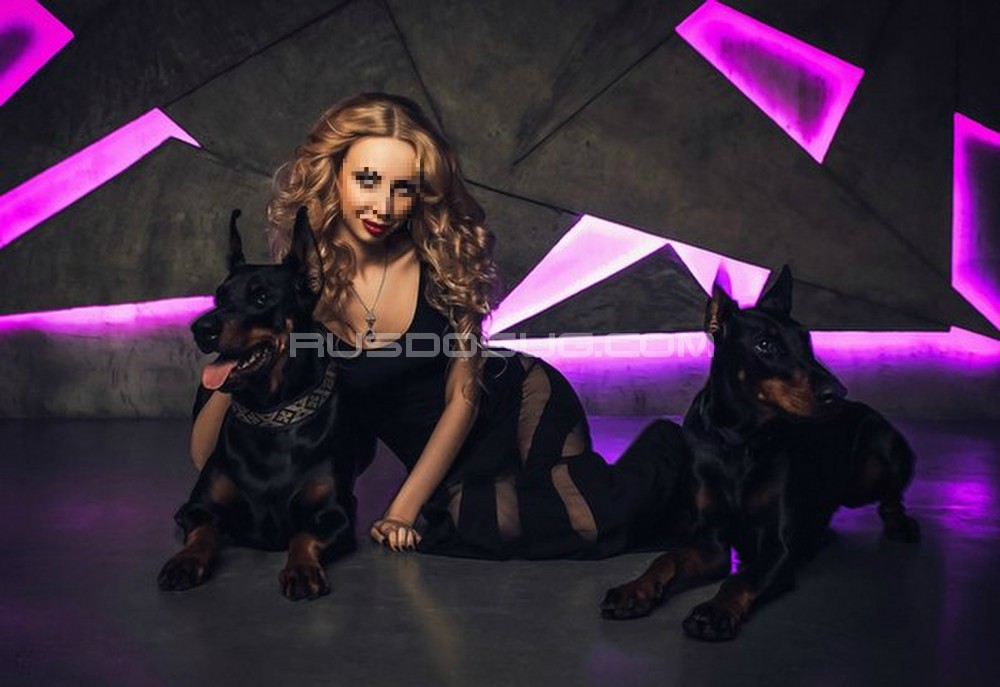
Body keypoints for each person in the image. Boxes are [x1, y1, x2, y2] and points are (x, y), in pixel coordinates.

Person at [191, 92, 690, 560]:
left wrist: (402, 510)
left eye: (403, 188)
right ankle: (674, 498)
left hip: (521, 404)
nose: (384, 206)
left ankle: (670, 450)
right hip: (446, 465)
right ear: (334, 175)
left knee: (578, 516)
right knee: (479, 523)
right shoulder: (298, 283)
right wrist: (236, 366)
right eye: (367, 180)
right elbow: (206, 457)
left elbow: (463, 399)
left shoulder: (445, 262)